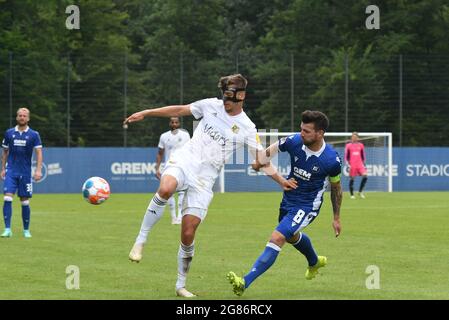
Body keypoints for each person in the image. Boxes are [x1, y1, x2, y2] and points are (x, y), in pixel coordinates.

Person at [124, 74, 296, 297]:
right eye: (224, 96)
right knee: (166, 188)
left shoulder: (247, 128)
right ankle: (140, 240)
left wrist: (282, 181)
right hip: (185, 161)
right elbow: (179, 109)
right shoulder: (210, 105)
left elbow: (262, 160)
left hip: (205, 180)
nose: (225, 102)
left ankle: (180, 285)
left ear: (241, 97)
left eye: (230, 99)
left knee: (187, 233)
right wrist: (147, 113)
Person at [227, 110, 343, 296]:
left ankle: (244, 282)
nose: (301, 133)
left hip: (307, 206)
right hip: (288, 200)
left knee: (278, 237)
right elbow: (266, 154)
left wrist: (336, 217)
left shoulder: (331, 160)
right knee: (291, 236)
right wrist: (262, 164)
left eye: (307, 131)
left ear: (320, 133)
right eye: (301, 129)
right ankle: (314, 262)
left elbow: (336, 188)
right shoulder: (294, 141)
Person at [1, 107, 43, 238]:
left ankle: (26, 230)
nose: (22, 117)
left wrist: (38, 170)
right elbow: (5, 152)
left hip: (25, 173)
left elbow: (39, 153)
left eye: (24, 116)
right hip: (11, 171)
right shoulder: (9, 133)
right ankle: (7, 229)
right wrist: (3, 169)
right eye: (19, 115)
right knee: (7, 197)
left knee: (24, 201)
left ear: (28, 118)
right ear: (16, 117)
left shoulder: (34, 134)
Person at [155, 117, 190, 225]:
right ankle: (173, 217)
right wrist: (157, 168)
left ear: (179, 123)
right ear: (169, 123)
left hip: (183, 166)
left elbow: (190, 150)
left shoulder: (185, 135)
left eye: (176, 122)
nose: (174, 124)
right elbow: (160, 153)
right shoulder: (164, 136)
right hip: (169, 167)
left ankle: (179, 216)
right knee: (168, 192)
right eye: (172, 122)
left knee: (181, 192)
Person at [344, 132, 368, 199]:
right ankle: (352, 194)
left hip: (360, 164)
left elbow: (363, 155)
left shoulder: (361, 145)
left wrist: (364, 163)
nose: (354, 138)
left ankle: (360, 192)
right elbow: (346, 156)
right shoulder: (348, 145)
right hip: (352, 164)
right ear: (351, 137)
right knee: (352, 178)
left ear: (358, 138)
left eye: (355, 137)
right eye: (353, 136)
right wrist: (347, 163)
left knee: (365, 176)